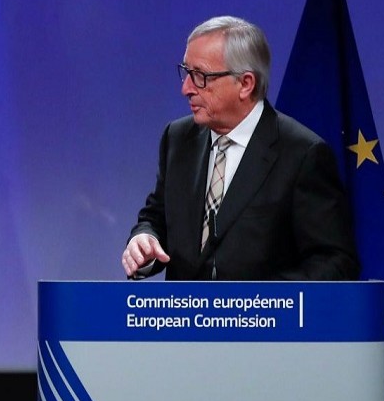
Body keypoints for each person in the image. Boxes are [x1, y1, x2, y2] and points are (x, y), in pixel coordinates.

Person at [122, 16, 358, 281]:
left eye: (200, 76)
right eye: (186, 72)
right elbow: (156, 216)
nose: (185, 88)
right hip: (184, 319)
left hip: (263, 319)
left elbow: (335, 261)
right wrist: (145, 238)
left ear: (246, 84)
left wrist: (259, 302)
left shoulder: (303, 153)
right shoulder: (177, 138)